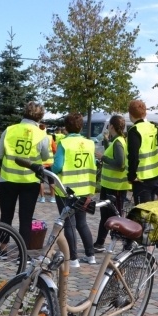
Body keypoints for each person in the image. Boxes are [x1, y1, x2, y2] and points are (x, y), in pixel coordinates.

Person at [0, 101, 52, 251]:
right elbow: (45, 156)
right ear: (40, 117)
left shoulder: (10, 130)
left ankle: (3, 247)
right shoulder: (41, 134)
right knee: (26, 218)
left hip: (8, 179)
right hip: (30, 181)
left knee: (6, 215)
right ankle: (23, 251)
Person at [52, 112, 97, 267]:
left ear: (66, 127)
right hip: (84, 189)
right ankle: (90, 255)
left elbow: (57, 166)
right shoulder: (90, 143)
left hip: (66, 190)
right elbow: (93, 166)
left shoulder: (64, 143)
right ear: (81, 126)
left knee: (69, 224)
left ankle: (73, 259)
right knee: (82, 223)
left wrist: (50, 168)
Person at [93, 115, 131, 252]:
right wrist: (106, 143)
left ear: (112, 126)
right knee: (105, 215)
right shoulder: (116, 141)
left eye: (109, 125)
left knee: (116, 217)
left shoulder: (119, 142)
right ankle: (99, 243)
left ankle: (126, 244)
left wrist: (102, 157)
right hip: (109, 185)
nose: (108, 127)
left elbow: (120, 164)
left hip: (116, 187)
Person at [127, 99, 158, 204]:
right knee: (151, 209)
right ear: (145, 113)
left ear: (130, 114)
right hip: (156, 175)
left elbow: (133, 156)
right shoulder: (154, 127)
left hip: (142, 178)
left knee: (142, 212)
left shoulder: (135, 130)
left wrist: (132, 176)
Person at [37, 121, 57, 203]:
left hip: (40, 162)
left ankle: (42, 198)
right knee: (51, 181)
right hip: (50, 162)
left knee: (40, 181)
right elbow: (55, 149)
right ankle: (52, 198)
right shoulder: (50, 137)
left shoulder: (37, 137)